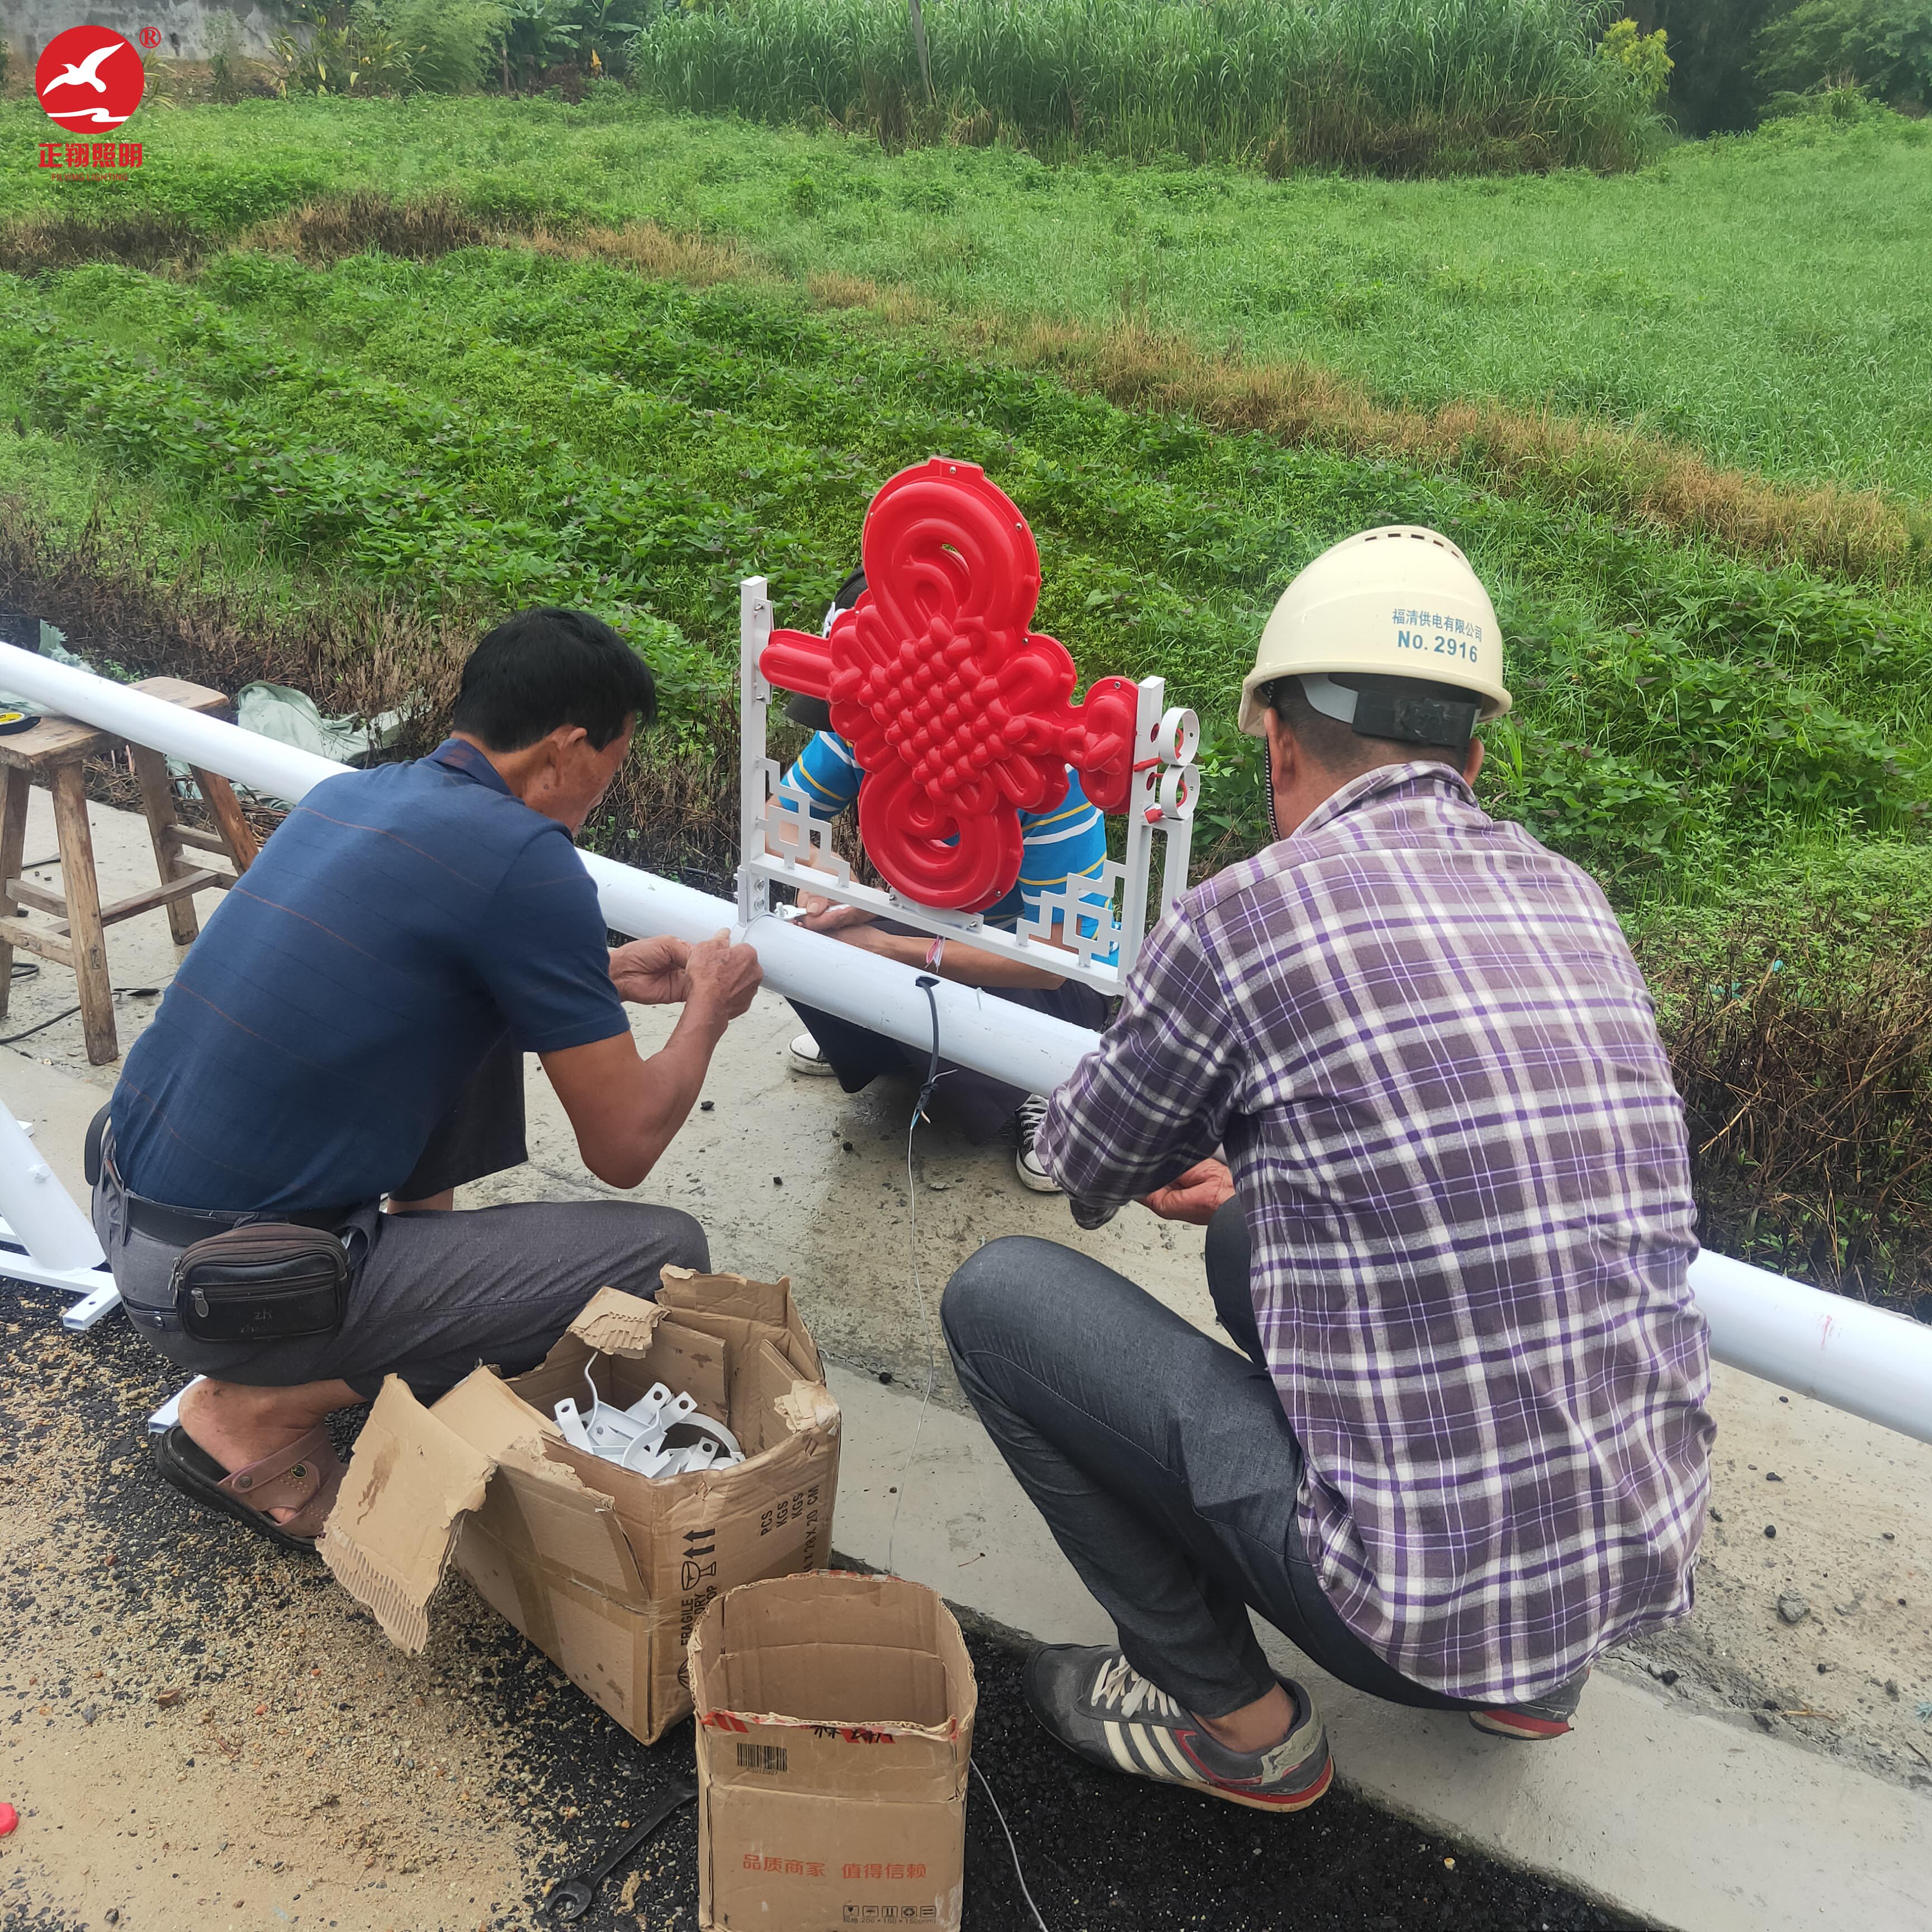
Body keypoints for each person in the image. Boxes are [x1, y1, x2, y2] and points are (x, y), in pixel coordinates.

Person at [942, 527, 1713, 1812]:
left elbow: (1080, 1159)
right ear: (1470, 756)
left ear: (1279, 743)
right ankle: (1529, 1679)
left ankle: (1237, 1725)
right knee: (1247, 1237)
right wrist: (1270, 1166)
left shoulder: (1244, 915)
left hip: (1398, 1616)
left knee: (1000, 1301)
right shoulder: (1570, 896)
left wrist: (1195, 1122)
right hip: (1622, 1573)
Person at [96, 608, 763, 1550]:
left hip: (133, 1215)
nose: (599, 798)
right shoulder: (530, 860)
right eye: (610, 768)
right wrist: (709, 1008)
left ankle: (405, 1284)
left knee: (477, 1014)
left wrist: (593, 978)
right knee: (659, 1251)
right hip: (230, 1291)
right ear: (569, 748)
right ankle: (258, 1410)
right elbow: (624, 1149)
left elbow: (411, 974)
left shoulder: (354, 795)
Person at [774, 569, 1110, 1192]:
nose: (853, 729)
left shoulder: (1046, 777)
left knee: (894, 961)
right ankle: (886, 1052)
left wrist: (888, 949)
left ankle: (1045, 1084)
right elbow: (782, 822)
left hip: (1043, 978)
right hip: (927, 923)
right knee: (801, 935)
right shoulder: (863, 730)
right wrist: (826, 880)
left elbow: (1058, 961)